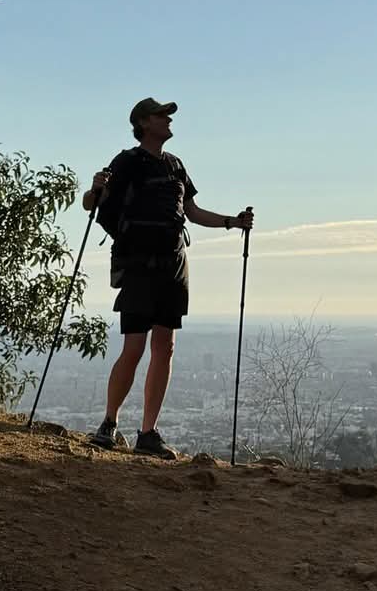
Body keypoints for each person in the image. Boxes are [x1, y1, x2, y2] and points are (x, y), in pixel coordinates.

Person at [83, 98, 253, 457]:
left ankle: (148, 432)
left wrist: (231, 222)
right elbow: (94, 202)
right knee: (134, 347)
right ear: (144, 122)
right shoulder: (126, 161)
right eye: (162, 115)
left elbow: (190, 211)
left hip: (174, 263)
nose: (168, 119)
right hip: (139, 264)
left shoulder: (175, 165)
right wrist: (93, 189)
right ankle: (109, 423)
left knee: (165, 346)